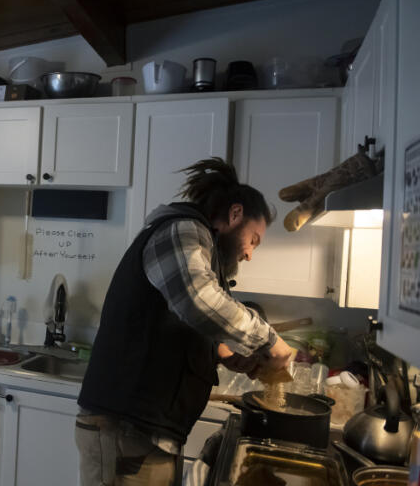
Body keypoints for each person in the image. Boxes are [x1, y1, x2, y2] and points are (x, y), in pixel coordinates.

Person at [75, 157, 295, 485]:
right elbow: (198, 300)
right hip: (126, 432)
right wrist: (269, 339)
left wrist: (219, 353)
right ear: (235, 215)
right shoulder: (182, 230)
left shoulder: (200, 248)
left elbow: (174, 321)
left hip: (145, 436)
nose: (249, 254)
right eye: (254, 240)